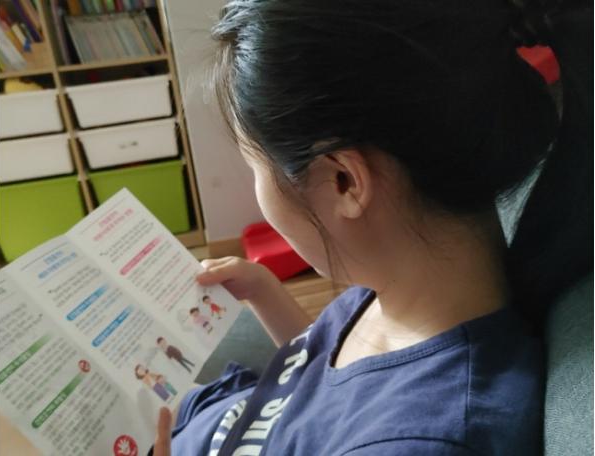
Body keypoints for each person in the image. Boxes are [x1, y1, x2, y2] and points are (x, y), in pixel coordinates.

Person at [153, 0, 592, 455]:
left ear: (343, 181)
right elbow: (328, 391)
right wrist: (266, 292)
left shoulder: (422, 439)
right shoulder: (403, 278)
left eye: (254, 167)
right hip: (218, 413)